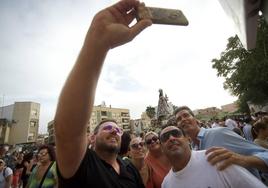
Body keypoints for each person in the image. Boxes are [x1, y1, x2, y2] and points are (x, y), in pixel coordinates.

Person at [54, 0, 152, 187]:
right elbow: (67, 132)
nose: (115, 131)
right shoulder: (82, 164)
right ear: (92, 137)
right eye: (107, 128)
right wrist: (98, 42)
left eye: (117, 130)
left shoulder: (130, 169)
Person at [174, 106, 268, 179]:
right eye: (179, 119)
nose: (182, 119)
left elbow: (265, 154)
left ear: (196, 120)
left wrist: (242, 159)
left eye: (186, 115)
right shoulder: (193, 150)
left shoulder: (219, 133)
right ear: (178, 126)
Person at [160, 126, 267, 188]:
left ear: (188, 139)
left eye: (176, 133)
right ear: (162, 148)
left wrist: (244, 160)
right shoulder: (166, 184)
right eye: (165, 137)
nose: (171, 138)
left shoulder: (215, 158)